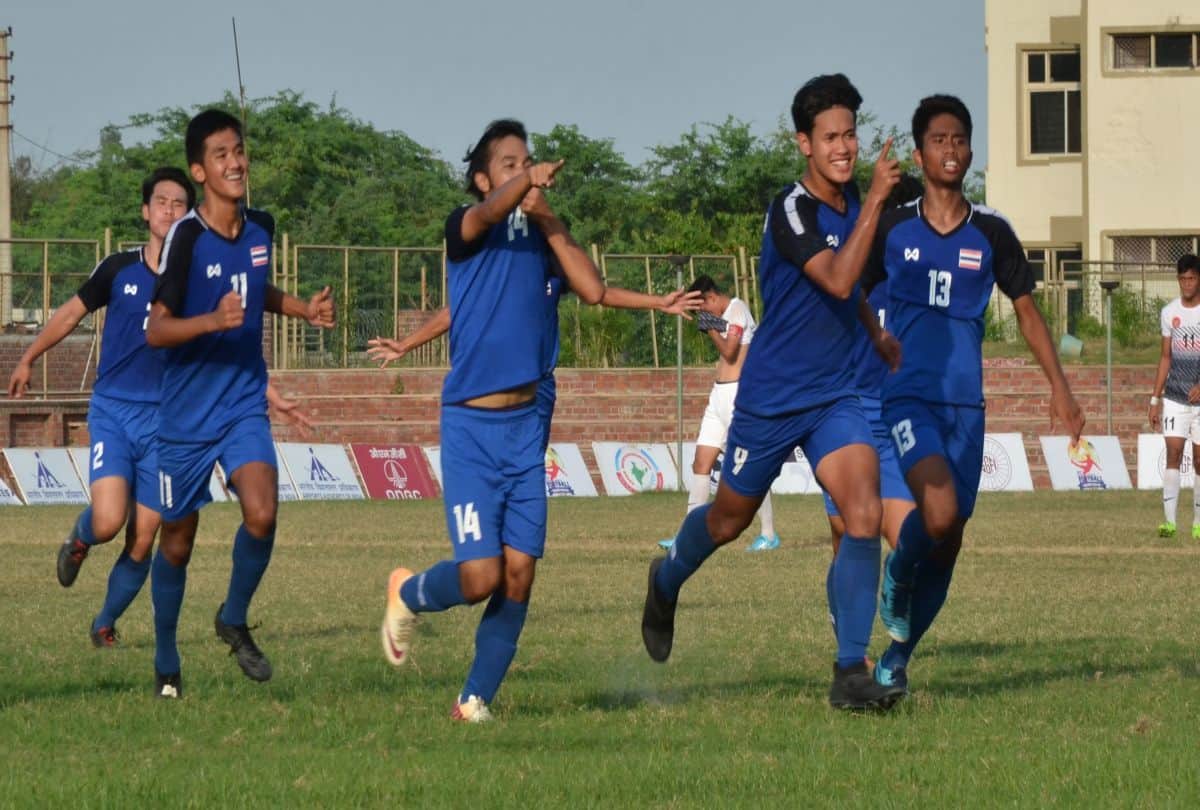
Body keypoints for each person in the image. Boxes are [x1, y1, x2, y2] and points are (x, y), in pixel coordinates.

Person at [639, 74, 907, 711]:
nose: (843, 147)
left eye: (850, 135)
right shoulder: (792, 209)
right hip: (769, 397)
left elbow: (856, 293)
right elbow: (837, 281)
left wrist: (876, 335)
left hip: (836, 396)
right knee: (728, 519)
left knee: (862, 516)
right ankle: (667, 578)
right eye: (830, 137)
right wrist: (875, 200)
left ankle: (849, 674)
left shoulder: (851, 210)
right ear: (803, 144)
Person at [380, 119, 616, 722]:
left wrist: (550, 218)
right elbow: (486, 214)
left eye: (527, 161)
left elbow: (590, 289)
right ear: (484, 178)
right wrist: (520, 189)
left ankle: (473, 699)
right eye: (509, 163)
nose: (523, 169)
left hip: (525, 432)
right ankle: (408, 592)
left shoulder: (540, 238)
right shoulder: (466, 228)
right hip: (471, 431)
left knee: (519, 573)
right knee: (481, 575)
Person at [872, 95, 1085, 694]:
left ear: (970, 150)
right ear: (919, 152)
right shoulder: (891, 226)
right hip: (909, 395)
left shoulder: (991, 231)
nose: (951, 149)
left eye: (959, 139)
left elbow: (1028, 313)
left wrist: (1061, 390)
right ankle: (896, 575)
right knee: (935, 513)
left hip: (968, 407)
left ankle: (897, 657)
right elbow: (848, 293)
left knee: (952, 536)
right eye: (938, 139)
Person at [145, 109, 335, 700]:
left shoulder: (261, 228)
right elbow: (156, 329)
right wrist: (211, 320)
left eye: (240, 150)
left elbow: (256, 290)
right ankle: (167, 657)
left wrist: (300, 307)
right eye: (221, 154)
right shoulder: (186, 237)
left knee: (263, 512)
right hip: (184, 415)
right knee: (177, 539)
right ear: (201, 170)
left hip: (242, 403)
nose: (236, 162)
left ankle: (232, 616)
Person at [7, 168, 193, 648]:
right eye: (162, 202)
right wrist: (28, 358)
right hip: (114, 411)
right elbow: (71, 313)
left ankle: (104, 623)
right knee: (110, 520)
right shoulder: (118, 268)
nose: (169, 210)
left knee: (145, 535)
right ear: (146, 211)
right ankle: (82, 538)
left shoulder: (195, 281)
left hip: (167, 421)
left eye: (179, 204)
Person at [820, 174, 924, 636]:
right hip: (849, 416)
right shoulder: (849, 274)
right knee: (846, 533)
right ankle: (845, 625)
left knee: (907, 541)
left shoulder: (920, 281)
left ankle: (885, 608)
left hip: (898, 421)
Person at [666, 274, 780, 552]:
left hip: (737, 395)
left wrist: (711, 329)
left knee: (750, 465)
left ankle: (768, 533)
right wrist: (713, 325)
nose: (703, 315)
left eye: (703, 308)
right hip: (718, 395)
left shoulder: (738, 309)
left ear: (712, 298)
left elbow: (730, 352)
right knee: (701, 463)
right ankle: (685, 535)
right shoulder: (724, 315)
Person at [1149, 254, 1200, 539]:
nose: (1187, 284)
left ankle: (1198, 522)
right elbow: (1165, 357)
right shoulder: (1169, 313)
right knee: (1173, 453)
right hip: (1175, 399)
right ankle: (1169, 522)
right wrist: (1154, 400)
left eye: (1191, 278)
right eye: (1182, 279)